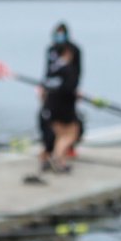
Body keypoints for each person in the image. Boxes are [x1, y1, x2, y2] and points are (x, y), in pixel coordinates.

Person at [39, 22, 83, 172]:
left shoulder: (56, 65)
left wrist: (44, 90)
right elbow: (72, 82)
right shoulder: (67, 67)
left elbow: (47, 77)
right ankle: (57, 159)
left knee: (60, 132)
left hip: (53, 99)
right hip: (63, 100)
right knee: (71, 133)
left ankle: (57, 159)